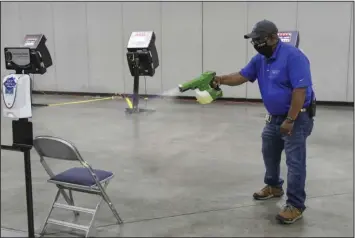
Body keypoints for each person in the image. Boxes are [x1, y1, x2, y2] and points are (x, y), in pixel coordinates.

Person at [212, 20, 315, 224]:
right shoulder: (260, 58)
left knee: (294, 161)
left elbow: (300, 91)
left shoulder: (293, 56)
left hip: (296, 117)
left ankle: (295, 205)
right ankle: (274, 186)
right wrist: (220, 79)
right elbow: (242, 76)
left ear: (273, 38)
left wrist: (290, 119)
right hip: (274, 118)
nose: (256, 44)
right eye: (254, 41)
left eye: (259, 40)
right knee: (269, 150)